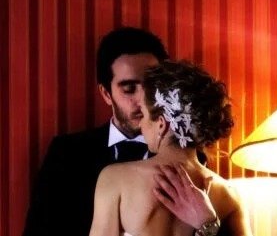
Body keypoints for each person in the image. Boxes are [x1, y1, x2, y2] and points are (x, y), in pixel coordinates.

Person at [22, 27, 217, 236]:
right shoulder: (66, 154)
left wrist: (208, 224)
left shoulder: (193, 159)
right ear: (106, 94)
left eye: (152, 87)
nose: (142, 99)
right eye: (129, 88)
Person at [90, 60, 251, 236]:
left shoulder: (115, 179)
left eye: (143, 115)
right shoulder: (229, 195)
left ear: (161, 124)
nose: (141, 124)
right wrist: (209, 224)